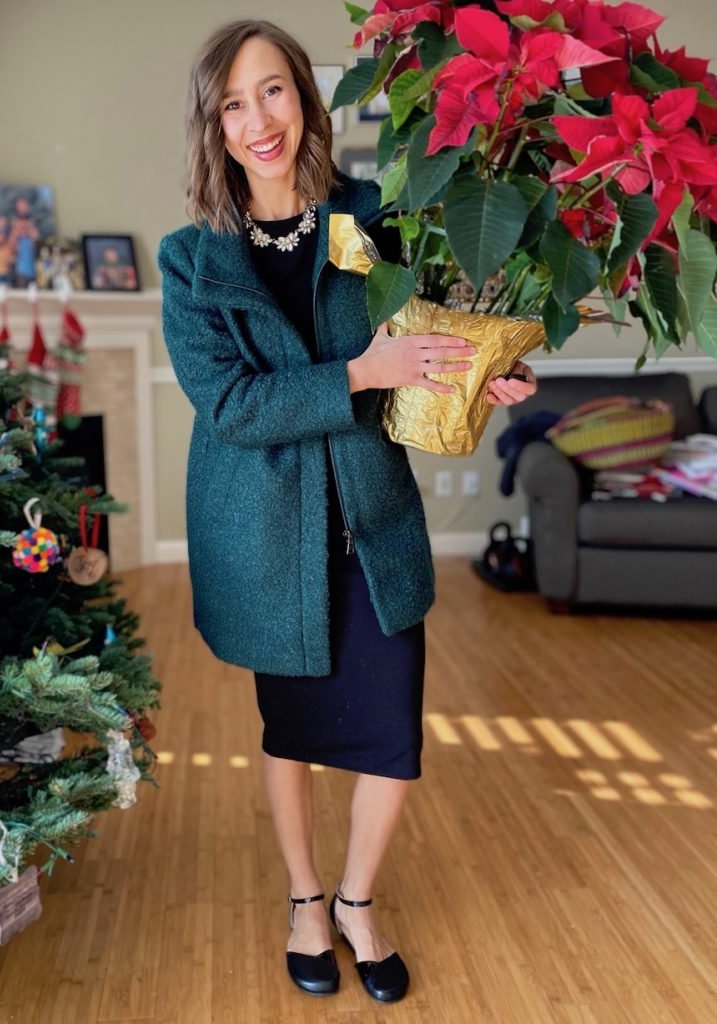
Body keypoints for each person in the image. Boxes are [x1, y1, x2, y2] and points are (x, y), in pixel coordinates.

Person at [158, 19, 537, 1005]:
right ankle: (305, 900)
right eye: (234, 103)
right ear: (213, 124)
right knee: (294, 734)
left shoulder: (362, 218)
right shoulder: (192, 259)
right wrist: (360, 372)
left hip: (370, 527)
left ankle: (359, 903)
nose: (258, 120)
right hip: (267, 538)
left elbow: (424, 333)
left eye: (274, 91)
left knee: (391, 741)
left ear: (305, 98)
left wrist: (485, 367)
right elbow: (232, 405)